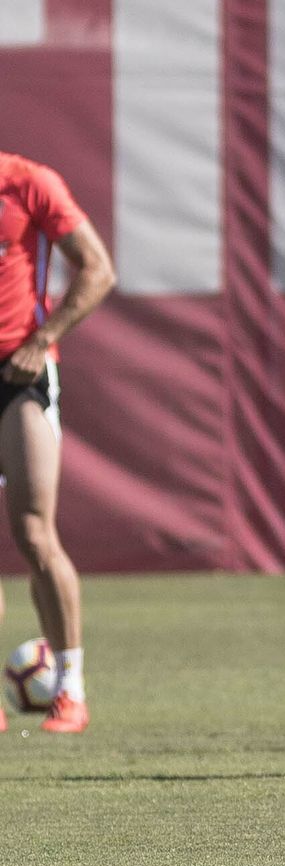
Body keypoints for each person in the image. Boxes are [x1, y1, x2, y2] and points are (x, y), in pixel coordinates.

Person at [0, 153, 115, 735]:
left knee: (33, 530)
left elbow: (97, 270)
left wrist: (41, 340)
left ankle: (71, 689)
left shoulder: (30, 183)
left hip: (18, 375)